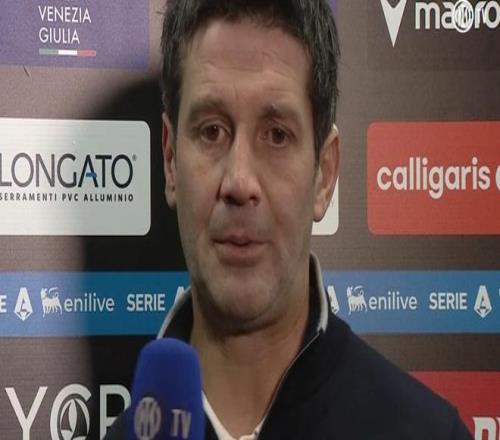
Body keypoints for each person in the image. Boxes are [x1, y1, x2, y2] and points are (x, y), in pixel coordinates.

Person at [106, 1, 473, 438]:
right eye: (211, 131)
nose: (239, 181)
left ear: (325, 175)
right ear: (170, 160)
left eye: (277, 135)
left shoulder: (429, 432)